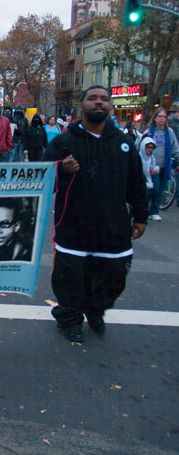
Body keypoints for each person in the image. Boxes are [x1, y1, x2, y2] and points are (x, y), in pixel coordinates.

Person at [42, 85, 148, 343]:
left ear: (109, 105)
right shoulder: (64, 142)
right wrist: (61, 170)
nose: (98, 102)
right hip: (73, 225)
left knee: (114, 276)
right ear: (82, 105)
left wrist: (140, 216)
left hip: (113, 226)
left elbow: (136, 182)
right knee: (70, 278)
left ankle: (96, 309)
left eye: (103, 99)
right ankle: (70, 318)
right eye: (92, 98)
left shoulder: (124, 143)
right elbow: (40, 179)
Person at [140, 108, 179, 221]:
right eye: (160, 116)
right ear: (155, 118)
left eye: (164, 117)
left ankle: (154, 211)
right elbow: (141, 146)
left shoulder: (169, 132)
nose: (162, 119)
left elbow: (175, 147)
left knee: (160, 190)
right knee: (154, 189)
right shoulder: (149, 131)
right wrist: (143, 137)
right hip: (152, 166)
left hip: (164, 165)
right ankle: (144, 208)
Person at [138, 136, 159, 214]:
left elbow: (154, 165)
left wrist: (155, 169)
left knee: (154, 192)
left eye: (152, 148)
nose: (150, 149)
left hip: (148, 180)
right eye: (149, 147)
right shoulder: (139, 156)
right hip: (140, 180)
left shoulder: (151, 157)